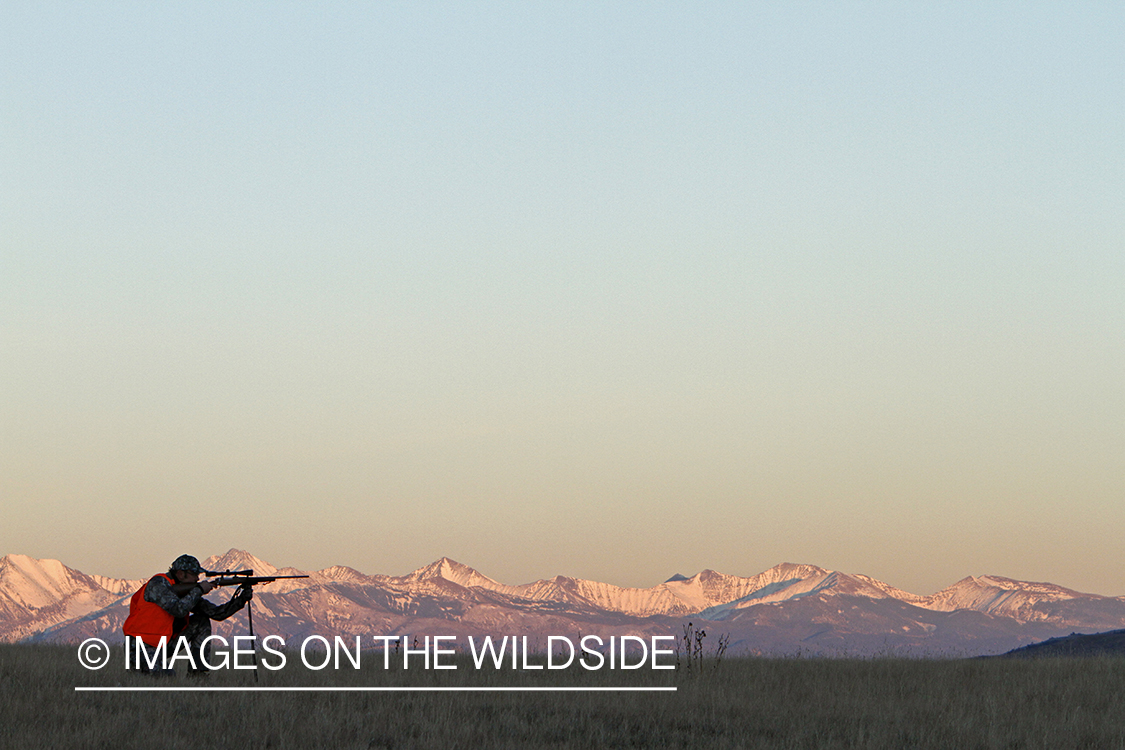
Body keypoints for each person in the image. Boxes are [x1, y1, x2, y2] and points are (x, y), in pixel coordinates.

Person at [123, 553, 252, 675]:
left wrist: (241, 600)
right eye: (194, 574)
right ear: (180, 574)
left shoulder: (187, 592)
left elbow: (217, 614)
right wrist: (199, 590)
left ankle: (198, 675)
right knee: (166, 677)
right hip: (140, 646)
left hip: (163, 645)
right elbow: (178, 609)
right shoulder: (158, 584)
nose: (197, 578)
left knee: (201, 622)